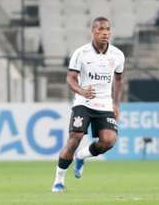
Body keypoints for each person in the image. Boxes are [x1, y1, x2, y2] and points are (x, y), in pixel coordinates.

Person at [52, 17, 125, 192]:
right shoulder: (81, 53)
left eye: (108, 29)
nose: (105, 32)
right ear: (93, 31)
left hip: (104, 105)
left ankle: (82, 156)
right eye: (101, 29)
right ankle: (58, 181)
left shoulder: (117, 55)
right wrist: (81, 90)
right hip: (83, 103)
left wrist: (116, 104)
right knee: (75, 137)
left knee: (108, 141)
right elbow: (70, 78)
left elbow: (119, 79)